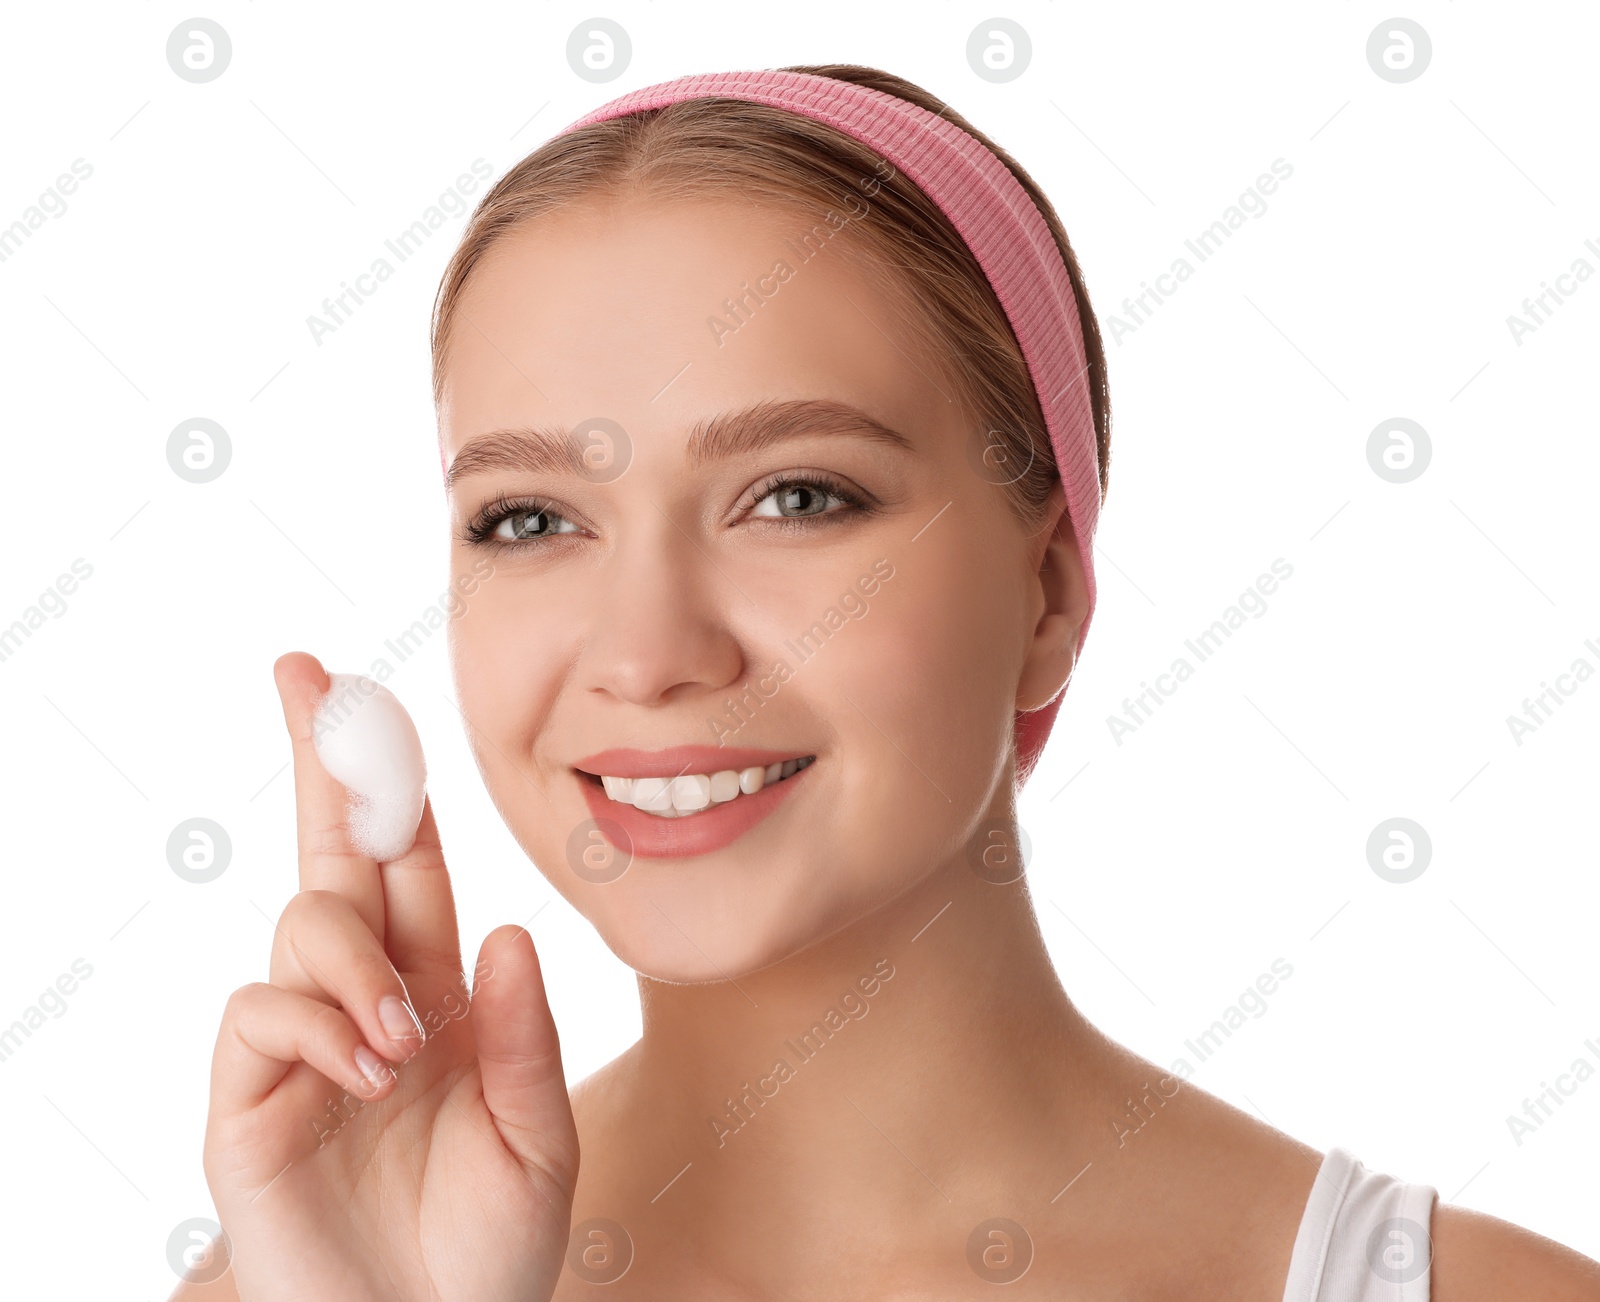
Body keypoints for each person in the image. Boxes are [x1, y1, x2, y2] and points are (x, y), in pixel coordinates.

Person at [173, 64, 1600, 1300]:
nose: (650, 654)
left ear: (1046, 593)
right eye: (531, 519)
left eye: (794, 496)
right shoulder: (306, 1272)